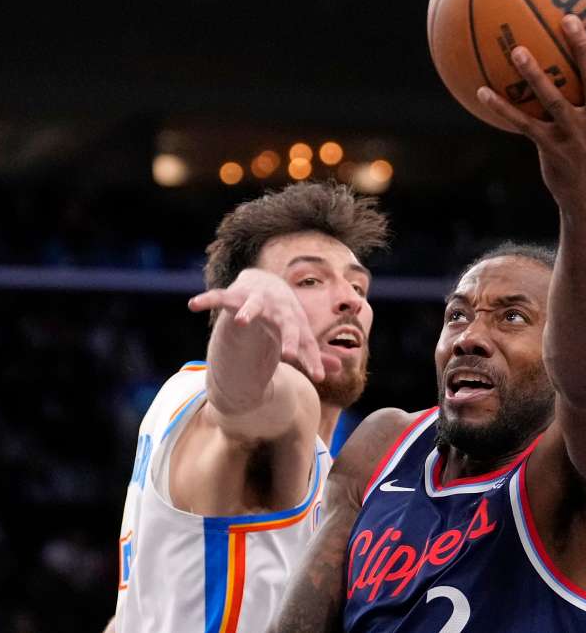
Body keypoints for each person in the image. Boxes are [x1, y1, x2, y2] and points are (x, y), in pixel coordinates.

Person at [270, 11, 586, 632]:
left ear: (558, 339)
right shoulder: (383, 445)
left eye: (512, 317)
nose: (470, 337)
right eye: (457, 315)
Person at [104, 183, 390, 633]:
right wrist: (247, 320)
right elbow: (243, 406)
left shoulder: (178, 400)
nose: (351, 299)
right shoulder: (278, 400)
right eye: (308, 281)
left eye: (358, 285)